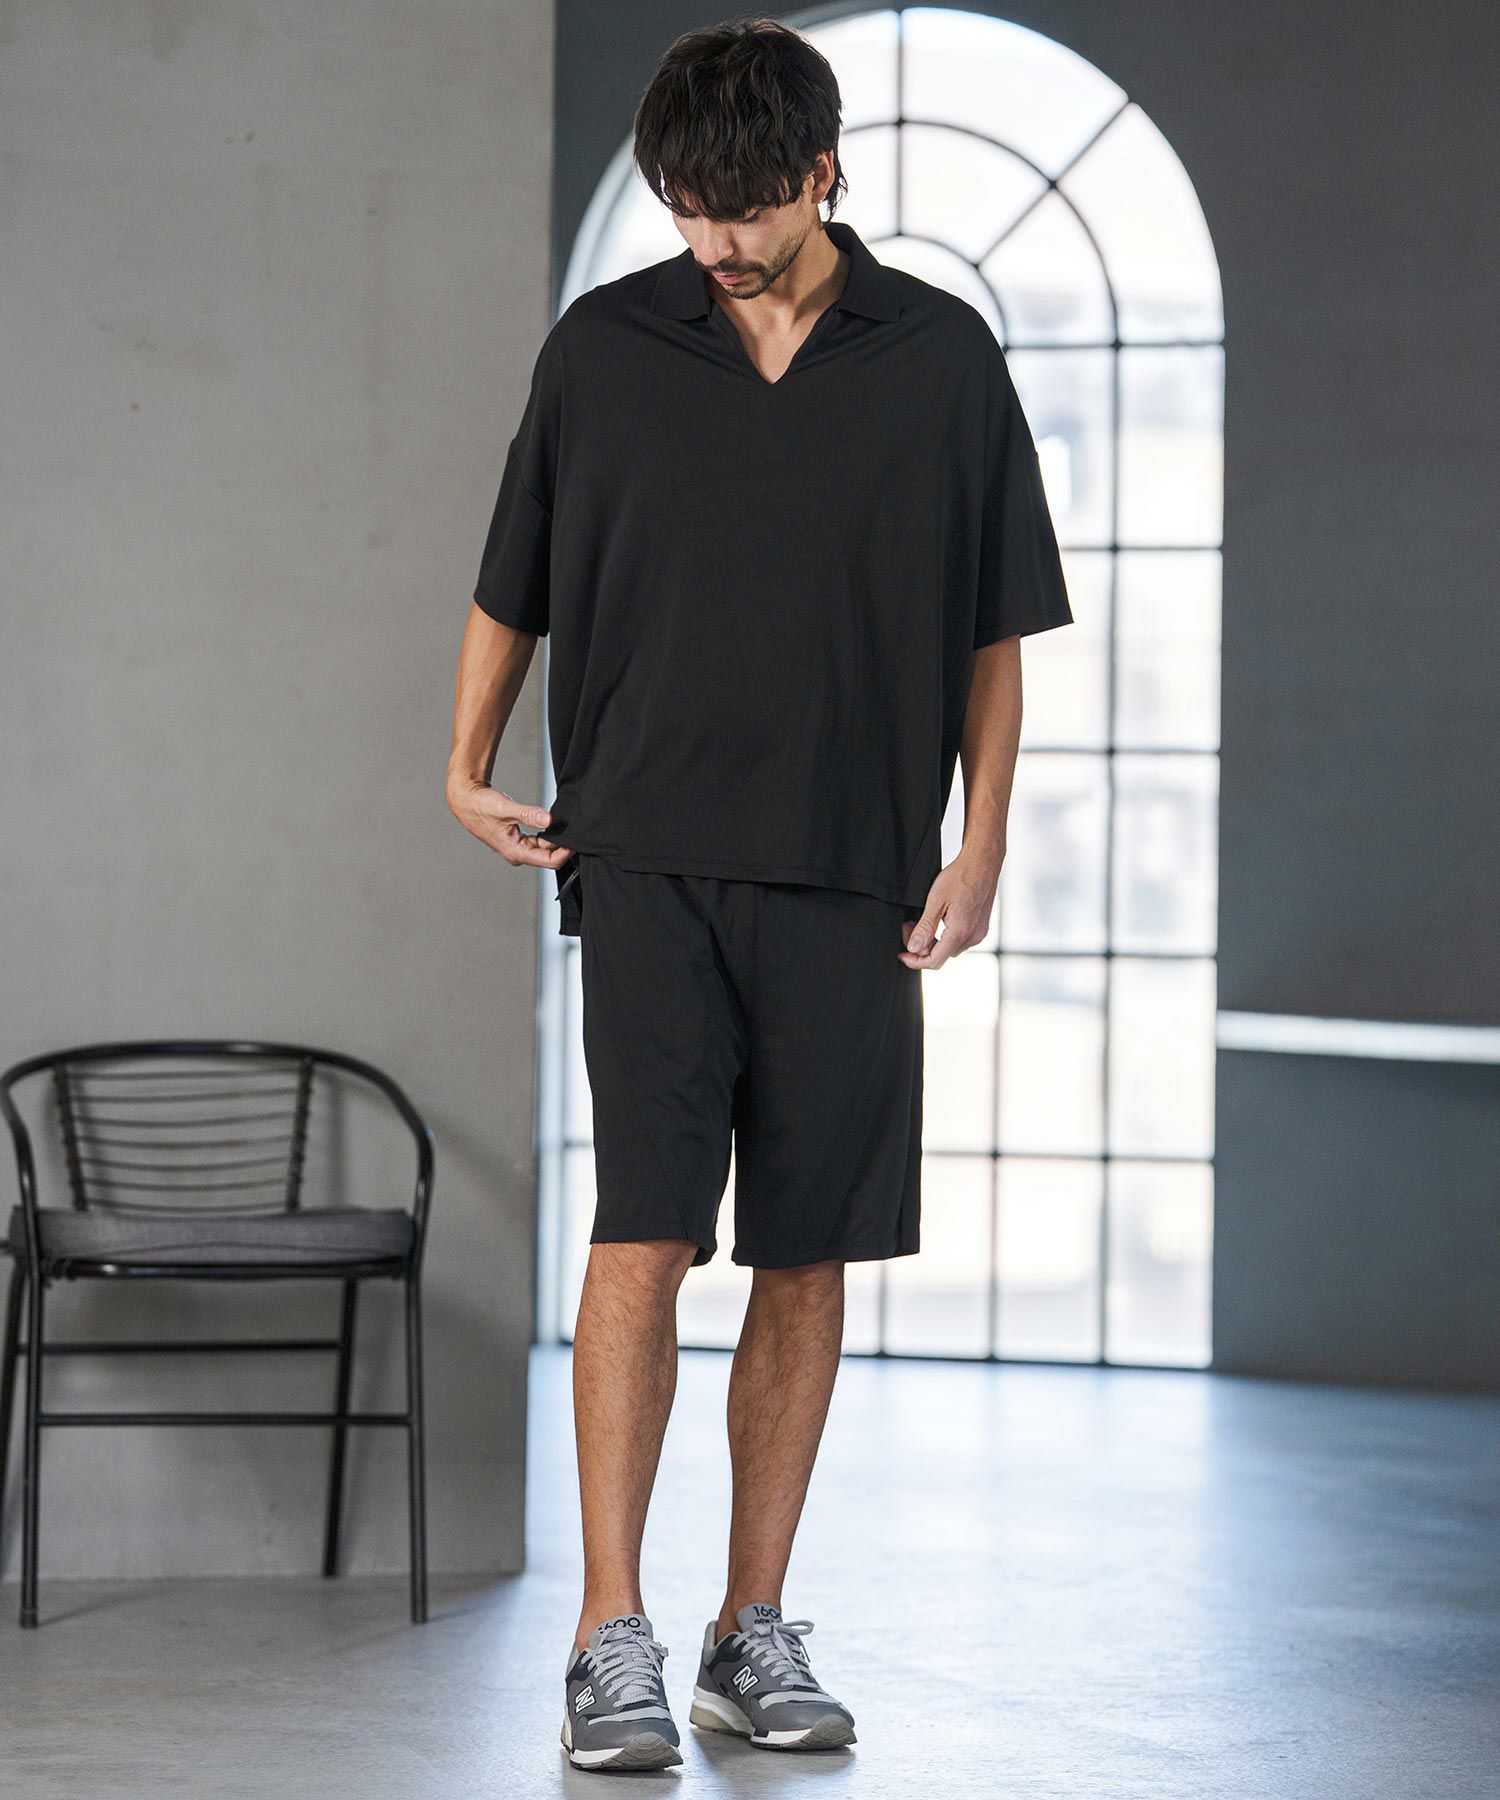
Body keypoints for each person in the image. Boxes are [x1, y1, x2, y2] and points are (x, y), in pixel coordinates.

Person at [447, 16, 1073, 1774]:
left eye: (745, 208)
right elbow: (515, 577)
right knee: (641, 1235)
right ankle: (610, 1635)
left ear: (822, 171)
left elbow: (996, 627)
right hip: (643, 856)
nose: (716, 241)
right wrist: (462, 762)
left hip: (855, 870)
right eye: (687, 209)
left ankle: (752, 1625)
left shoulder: (940, 358)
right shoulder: (602, 347)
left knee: (808, 1254)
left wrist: (982, 840)